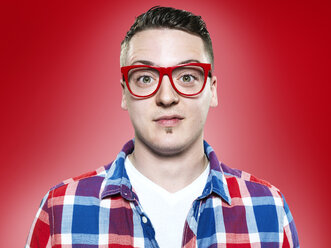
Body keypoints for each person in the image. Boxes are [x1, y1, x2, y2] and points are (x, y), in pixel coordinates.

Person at [26, 6, 299, 248]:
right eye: (145, 78)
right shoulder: (60, 208)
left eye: (187, 76)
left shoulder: (269, 208)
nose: (166, 97)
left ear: (212, 90)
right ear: (125, 93)